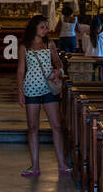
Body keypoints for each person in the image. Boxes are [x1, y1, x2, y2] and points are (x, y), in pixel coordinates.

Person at [16, 14, 69, 177]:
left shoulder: (49, 44)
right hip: (31, 89)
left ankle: (62, 164)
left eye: (46, 27)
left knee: (57, 126)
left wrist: (58, 71)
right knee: (32, 128)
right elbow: (20, 70)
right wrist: (20, 91)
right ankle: (35, 166)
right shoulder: (25, 46)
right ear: (34, 28)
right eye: (42, 27)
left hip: (48, 88)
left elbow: (58, 62)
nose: (46, 30)